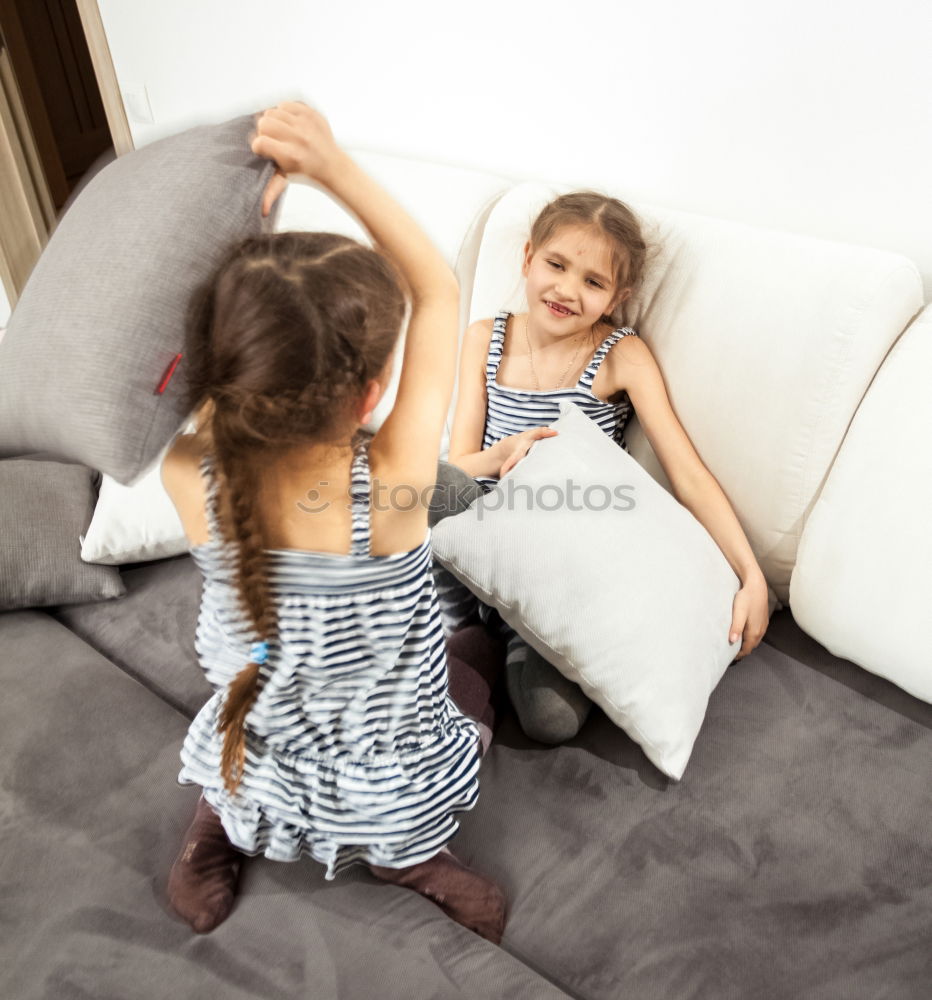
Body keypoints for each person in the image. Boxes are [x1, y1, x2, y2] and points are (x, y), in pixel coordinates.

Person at [160, 102, 506, 943]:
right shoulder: (392, 489)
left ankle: (222, 829)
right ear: (372, 395)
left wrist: (243, 253)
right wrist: (334, 167)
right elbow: (439, 288)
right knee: (477, 676)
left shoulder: (185, 472)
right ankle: (405, 855)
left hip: (268, 717)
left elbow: (207, 371)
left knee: (253, 737)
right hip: (365, 736)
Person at [438, 191, 771, 744]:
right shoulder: (485, 339)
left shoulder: (621, 356)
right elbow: (456, 470)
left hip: (551, 568)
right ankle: (456, 635)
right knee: (429, 486)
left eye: (593, 282)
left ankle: (492, 645)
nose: (567, 289)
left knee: (551, 722)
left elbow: (687, 475)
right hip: (475, 532)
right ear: (527, 259)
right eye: (556, 264)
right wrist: (500, 458)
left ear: (619, 296)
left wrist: (751, 574)